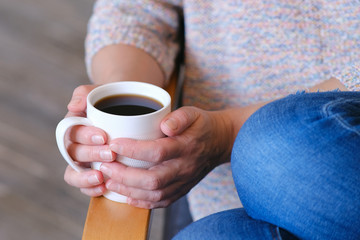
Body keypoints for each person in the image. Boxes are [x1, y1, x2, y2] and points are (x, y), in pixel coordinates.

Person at [62, 1, 360, 239]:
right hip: (221, 204)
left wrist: (229, 133)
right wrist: (121, 103)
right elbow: (134, 11)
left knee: (276, 154)